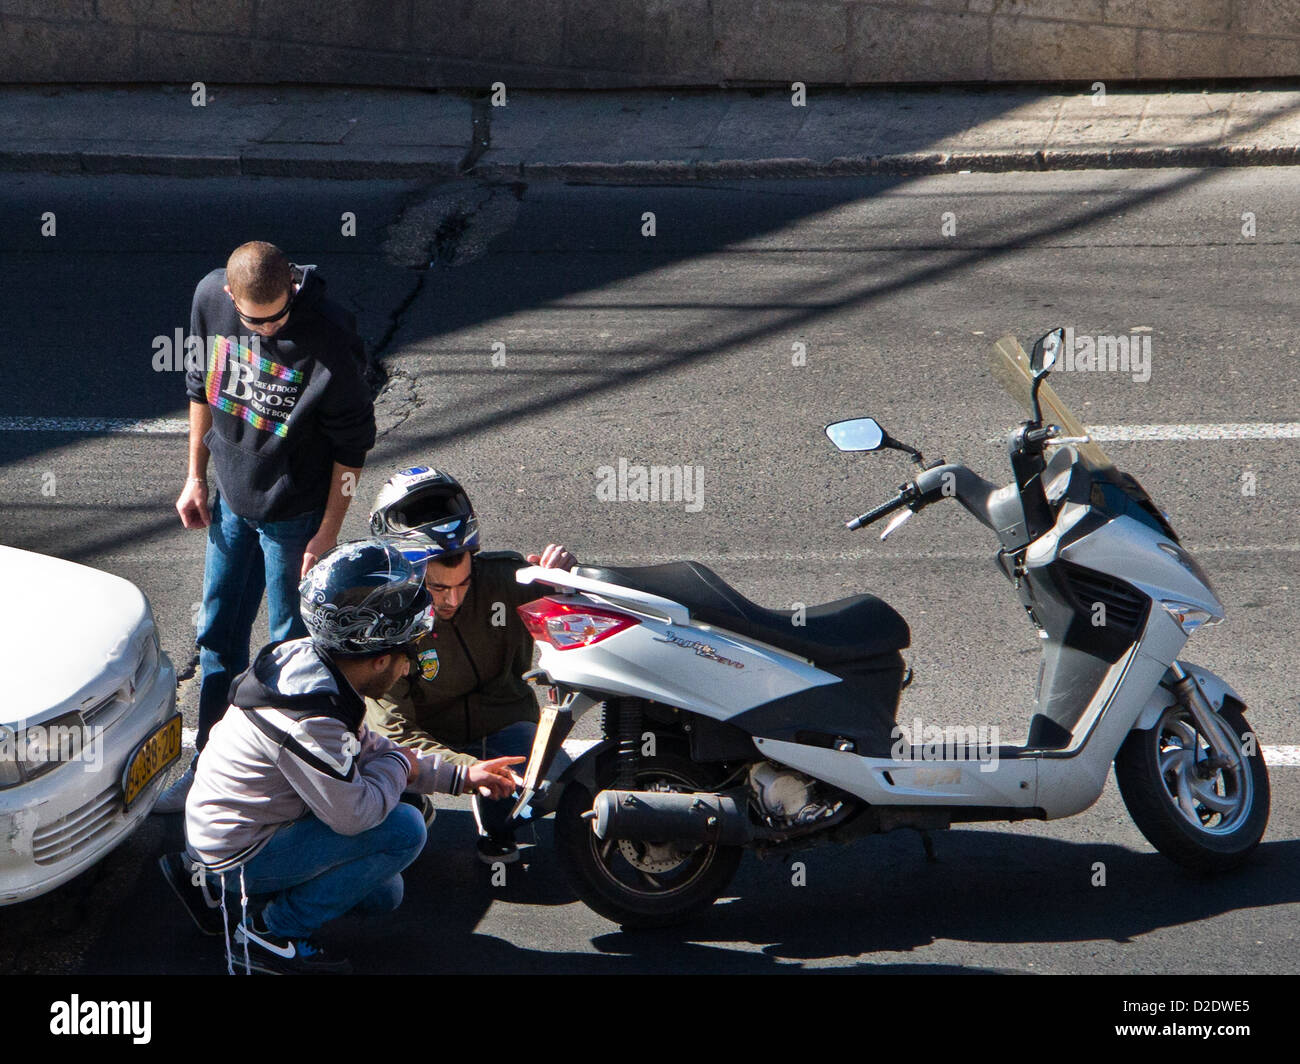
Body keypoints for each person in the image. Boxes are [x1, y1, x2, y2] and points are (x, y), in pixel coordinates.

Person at [158, 539, 524, 974]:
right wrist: (403, 767)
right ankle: (268, 935)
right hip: (234, 855)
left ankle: (216, 895)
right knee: (404, 828)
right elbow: (356, 815)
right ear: (379, 659)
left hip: (243, 833)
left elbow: (370, 748)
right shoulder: (309, 720)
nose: (410, 670)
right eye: (409, 658)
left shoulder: (314, 668)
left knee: (384, 893)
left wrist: (460, 776)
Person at [158, 241, 376, 814]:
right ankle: (207, 765)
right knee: (216, 639)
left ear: (294, 289)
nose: (269, 328)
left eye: (280, 315)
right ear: (230, 297)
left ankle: (283, 787)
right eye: (256, 320)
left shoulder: (329, 332)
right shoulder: (211, 297)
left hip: (297, 516)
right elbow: (201, 387)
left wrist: (328, 533)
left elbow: (352, 450)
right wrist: (194, 477)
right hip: (230, 503)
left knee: (289, 654)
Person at [364, 467, 576, 864]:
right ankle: (414, 808)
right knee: (380, 774)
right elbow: (392, 734)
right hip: (418, 738)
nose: (453, 601)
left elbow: (581, 617)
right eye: (438, 588)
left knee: (559, 783)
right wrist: (468, 772)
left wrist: (566, 578)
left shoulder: (504, 578)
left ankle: (500, 822)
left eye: (464, 584)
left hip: (500, 723)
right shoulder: (382, 623)